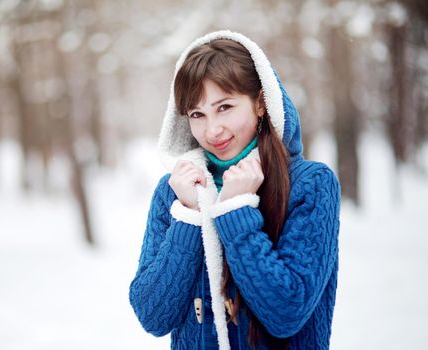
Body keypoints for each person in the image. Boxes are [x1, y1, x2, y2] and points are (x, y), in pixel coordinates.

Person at [129, 30, 341, 350]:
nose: (212, 130)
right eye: (197, 114)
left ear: (260, 103)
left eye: (224, 107)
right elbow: (153, 316)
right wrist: (189, 216)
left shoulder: (310, 185)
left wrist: (237, 211)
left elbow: (286, 313)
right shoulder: (176, 191)